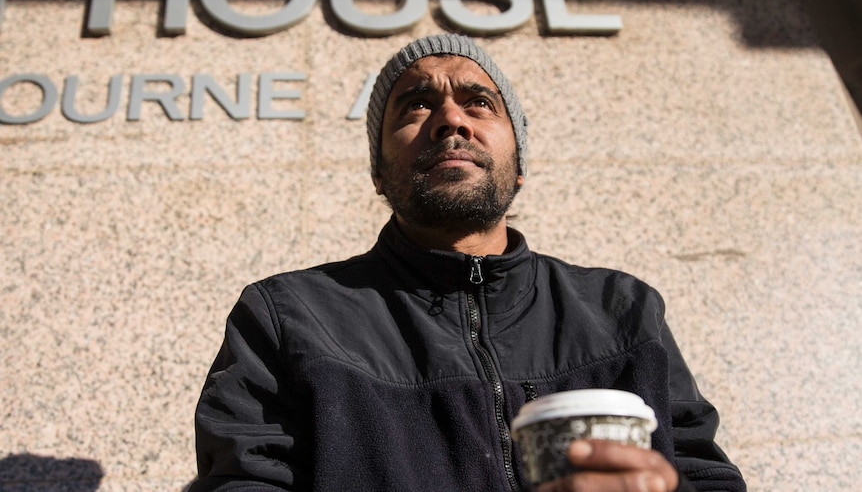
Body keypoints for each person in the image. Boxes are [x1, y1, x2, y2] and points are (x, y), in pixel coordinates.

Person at [191, 34, 746, 492]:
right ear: (378, 175)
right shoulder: (288, 317)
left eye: (479, 102)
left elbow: (708, 477)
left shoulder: (623, 310)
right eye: (415, 105)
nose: (450, 120)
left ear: (519, 163)